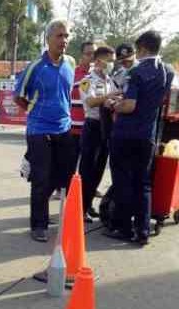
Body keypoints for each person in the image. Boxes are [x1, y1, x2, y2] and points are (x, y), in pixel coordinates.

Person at [104, 30, 173, 246]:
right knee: (143, 184)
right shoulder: (167, 72)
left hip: (126, 135)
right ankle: (142, 231)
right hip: (147, 135)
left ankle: (124, 228)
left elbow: (129, 105)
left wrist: (114, 104)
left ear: (142, 48)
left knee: (123, 181)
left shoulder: (137, 72)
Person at [14, 19, 77, 243]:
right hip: (39, 131)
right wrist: (35, 112)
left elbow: (67, 94)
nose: (64, 40)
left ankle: (50, 216)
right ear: (48, 38)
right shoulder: (36, 67)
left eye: (67, 36)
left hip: (64, 129)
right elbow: (18, 95)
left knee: (62, 177)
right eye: (60, 36)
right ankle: (38, 225)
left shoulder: (70, 62)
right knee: (41, 178)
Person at [78, 45, 119, 222]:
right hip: (92, 126)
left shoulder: (111, 80)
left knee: (99, 170)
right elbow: (91, 101)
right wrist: (110, 96)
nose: (111, 64)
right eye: (109, 61)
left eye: (113, 61)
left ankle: (88, 205)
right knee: (87, 170)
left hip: (107, 127)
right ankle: (79, 208)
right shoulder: (87, 80)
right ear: (99, 60)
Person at [70, 41, 94, 156]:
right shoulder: (71, 73)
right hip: (72, 131)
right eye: (88, 54)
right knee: (68, 169)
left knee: (88, 171)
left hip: (92, 131)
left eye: (94, 54)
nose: (92, 57)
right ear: (82, 55)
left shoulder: (103, 76)